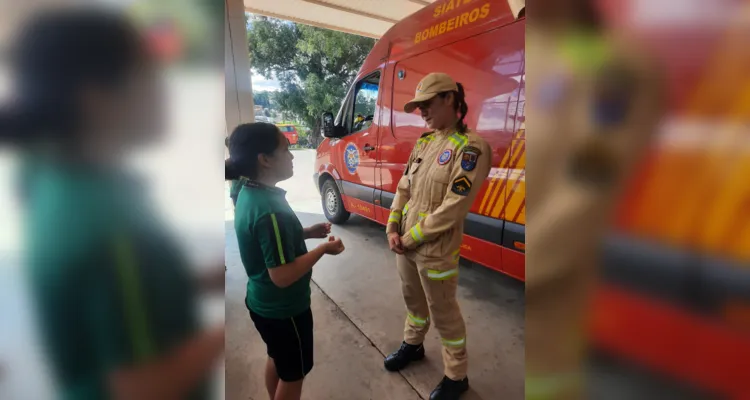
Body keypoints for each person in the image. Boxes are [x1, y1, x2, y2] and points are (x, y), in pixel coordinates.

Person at [1, 8, 225, 400]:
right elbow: (143, 386)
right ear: (95, 98)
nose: (163, 89)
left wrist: (192, 281)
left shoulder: (57, 181)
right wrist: (225, 329)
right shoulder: (110, 224)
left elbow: (115, 293)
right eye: (148, 75)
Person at [525, 0, 661, 398]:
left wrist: (535, 256)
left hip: (555, 270)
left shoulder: (614, 64)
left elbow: (594, 176)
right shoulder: (542, 50)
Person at [384, 73, 492, 400]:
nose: (422, 112)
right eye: (418, 107)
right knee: (414, 303)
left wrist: (412, 236)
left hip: (435, 250)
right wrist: (392, 225)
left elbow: (453, 207)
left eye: (427, 104)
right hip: (405, 242)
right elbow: (405, 188)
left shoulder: (471, 147)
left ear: (449, 99)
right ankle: (413, 345)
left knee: (444, 313)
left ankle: (456, 375)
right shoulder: (425, 141)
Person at [226, 122, 345, 400]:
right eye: (285, 150)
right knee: (293, 375)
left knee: (278, 359)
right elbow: (281, 275)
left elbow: (266, 241)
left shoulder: (249, 192)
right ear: (264, 160)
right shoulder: (270, 211)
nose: (292, 156)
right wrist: (322, 250)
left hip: (262, 303)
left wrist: (305, 233)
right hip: (285, 311)